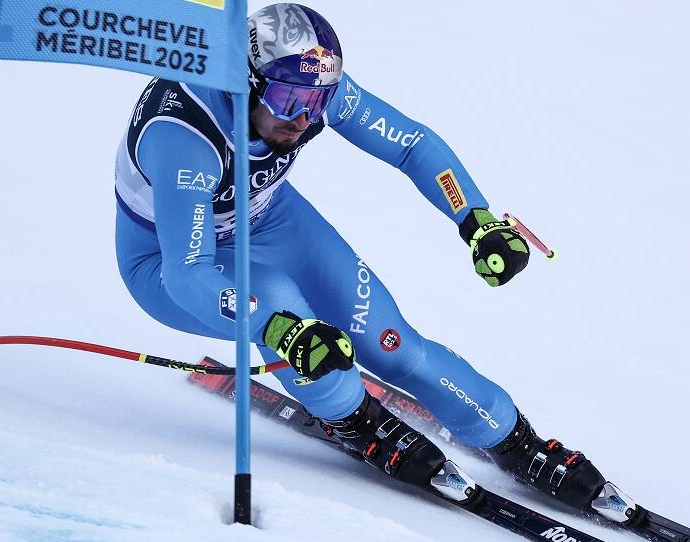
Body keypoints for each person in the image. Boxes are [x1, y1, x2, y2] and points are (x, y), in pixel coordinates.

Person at [115, 3, 613, 514]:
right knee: (285, 309)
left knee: (390, 343)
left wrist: (474, 217)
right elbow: (188, 272)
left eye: (317, 102)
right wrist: (275, 327)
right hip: (166, 260)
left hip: (267, 218)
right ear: (247, 84)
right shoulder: (184, 138)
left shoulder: (305, 79)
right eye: (288, 102)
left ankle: (515, 440)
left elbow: (411, 145)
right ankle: (353, 417)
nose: (304, 119)